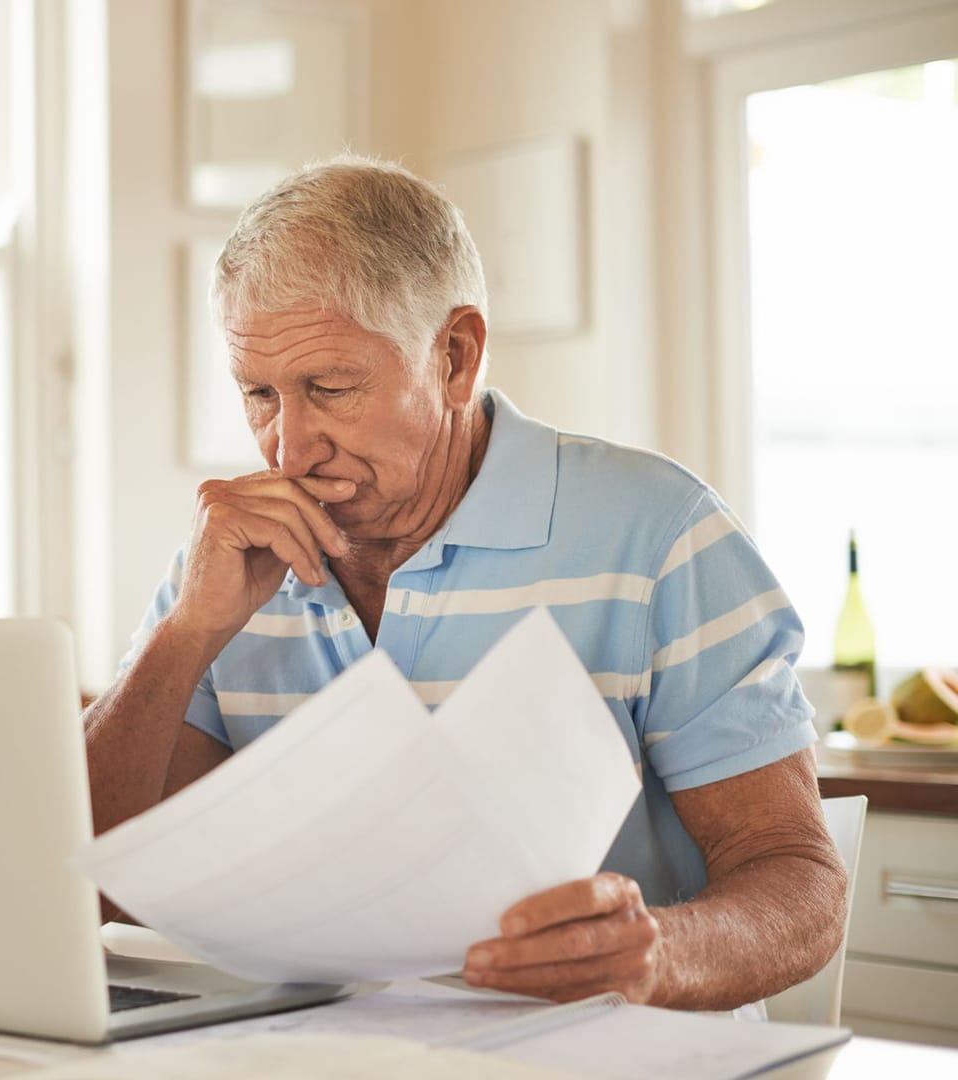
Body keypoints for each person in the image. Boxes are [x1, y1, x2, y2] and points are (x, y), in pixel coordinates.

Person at [82, 155, 845, 1011]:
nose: (287, 449)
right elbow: (93, 892)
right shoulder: (224, 562)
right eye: (259, 392)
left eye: (330, 388)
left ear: (454, 357)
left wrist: (655, 955)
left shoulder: (660, 534)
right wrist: (183, 636)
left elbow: (801, 884)